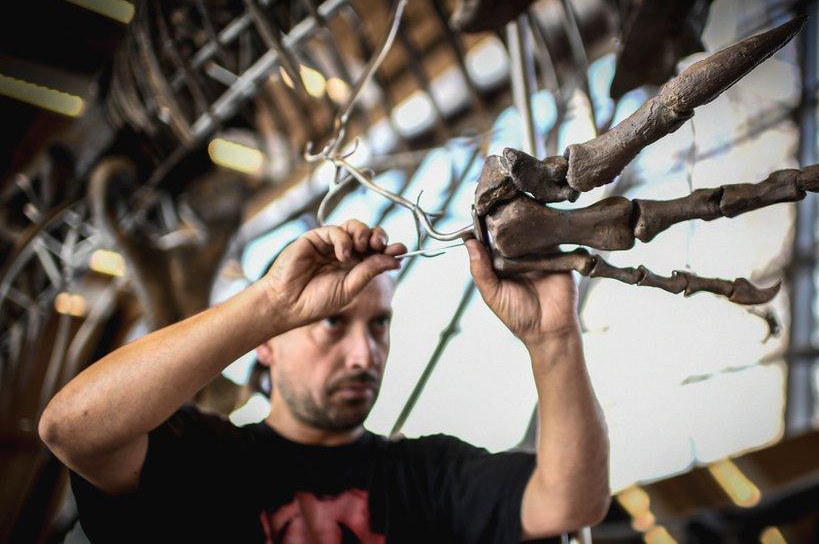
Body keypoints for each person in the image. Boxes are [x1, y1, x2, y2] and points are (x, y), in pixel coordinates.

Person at [39, 219, 610, 542]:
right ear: (267, 343)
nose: (365, 355)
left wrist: (553, 340)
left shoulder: (425, 476)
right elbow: (73, 429)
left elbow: (569, 502)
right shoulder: (208, 462)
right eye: (330, 325)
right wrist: (271, 301)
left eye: (379, 325)